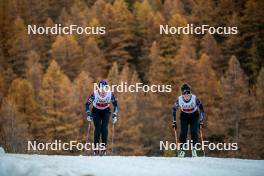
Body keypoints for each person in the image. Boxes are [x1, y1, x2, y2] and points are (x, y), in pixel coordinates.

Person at [85, 80, 118, 155]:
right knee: (98, 127)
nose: (103, 91)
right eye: (101, 89)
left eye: (105, 89)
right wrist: (88, 113)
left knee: (104, 128)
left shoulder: (110, 94)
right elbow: (87, 104)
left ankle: (103, 148)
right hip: (96, 111)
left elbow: (116, 105)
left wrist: (115, 115)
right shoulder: (95, 94)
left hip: (106, 111)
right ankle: (96, 148)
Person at [172, 83, 205, 157]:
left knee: (194, 131)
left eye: (188, 94)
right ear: (182, 94)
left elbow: (202, 109)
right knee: (183, 132)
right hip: (184, 116)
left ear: (190, 93)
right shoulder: (179, 99)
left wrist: (201, 120)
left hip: (194, 115)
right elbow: (174, 109)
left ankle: (194, 149)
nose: (187, 96)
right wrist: (174, 121)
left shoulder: (194, 98)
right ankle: (182, 150)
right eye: (185, 94)